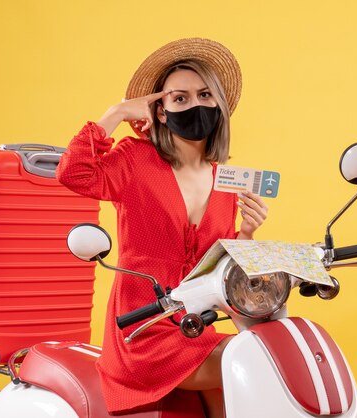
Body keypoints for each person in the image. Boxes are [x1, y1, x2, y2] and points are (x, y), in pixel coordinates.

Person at [56, 38, 268, 418]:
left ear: (219, 105)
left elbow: (216, 267)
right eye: (180, 98)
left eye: (204, 94)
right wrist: (117, 112)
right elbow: (73, 173)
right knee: (249, 361)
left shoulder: (226, 181)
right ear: (162, 111)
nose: (195, 105)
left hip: (193, 326)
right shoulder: (135, 160)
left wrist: (248, 234)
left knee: (263, 354)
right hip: (141, 330)